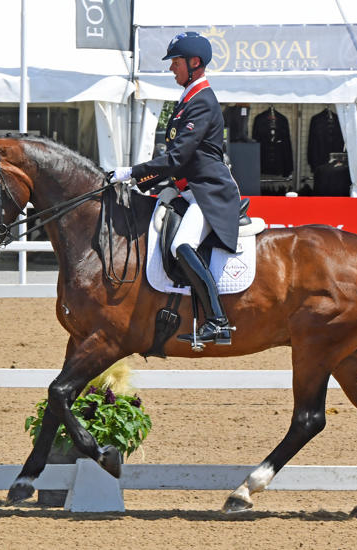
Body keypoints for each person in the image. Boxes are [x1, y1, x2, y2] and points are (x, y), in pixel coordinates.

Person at [110, 31, 241, 346]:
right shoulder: (188, 100)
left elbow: (178, 156)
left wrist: (132, 172)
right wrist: (142, 181)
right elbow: (178, 160)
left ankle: (218, 321)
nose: (172, 69)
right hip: (189, 189)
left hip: (209, 193)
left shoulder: (202, 101)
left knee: (181, 245)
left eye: (176, 63)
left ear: (195, 63)